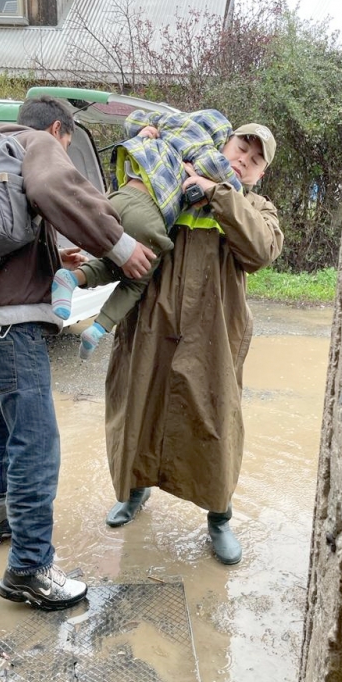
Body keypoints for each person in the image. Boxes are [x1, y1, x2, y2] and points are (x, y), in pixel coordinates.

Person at [0, 95, 155, 610]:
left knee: (0, 427)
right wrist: (121, 246)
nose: (61, 153)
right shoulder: (38, 143)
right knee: (37, 443)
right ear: (61, 131)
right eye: (66, 145)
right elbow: (53, 187)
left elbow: (6, 231)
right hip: (11, 323)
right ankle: (29, 570)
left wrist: (52, 252)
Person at [103, 121, 283, 565]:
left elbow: (261, 251)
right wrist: (146, 148)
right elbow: (125, 207)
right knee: (138, 409)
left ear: (260, 174)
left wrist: (219, 193)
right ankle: (134, 492)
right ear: (224, 144)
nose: (244, 159)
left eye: (255, 160)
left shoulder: (255, 205)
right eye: (241, 148)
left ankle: (219, 517)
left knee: (215, 420)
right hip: (150, 324)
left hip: (213, 337)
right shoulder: (172, 175)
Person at [50, 109, 244, 359]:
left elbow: (133, 118)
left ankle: (71, 278)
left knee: (115, 261)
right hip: (149, 216)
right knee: (136, 279)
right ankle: (99, 328)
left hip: (115, 201)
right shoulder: (204, 149)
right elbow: (231, 186)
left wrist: (143, 132)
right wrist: (221, 187)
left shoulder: (164, 127)